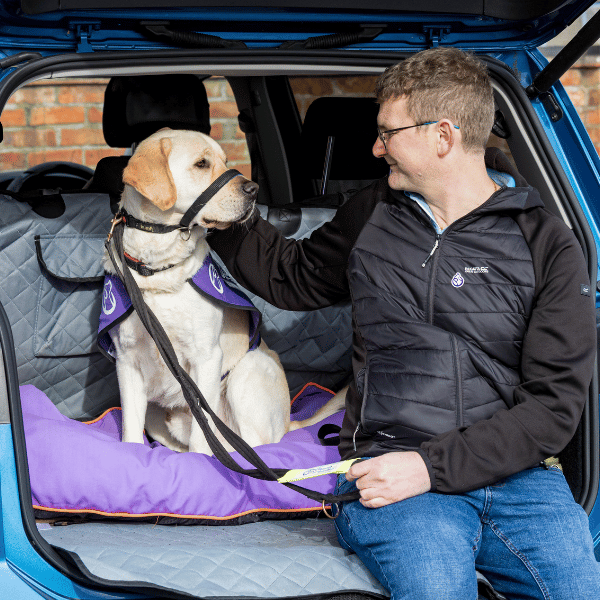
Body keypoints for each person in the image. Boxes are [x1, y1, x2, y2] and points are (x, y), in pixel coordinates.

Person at [209, 47, 600, 599]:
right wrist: (219, 208)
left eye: (387, 133)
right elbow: (292, 277)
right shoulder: (374, 212)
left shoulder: (548, 242)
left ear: (442, 136)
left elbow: (554, 407)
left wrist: (430, 467)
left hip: (519, 479)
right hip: (391, 469)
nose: (376, 147)